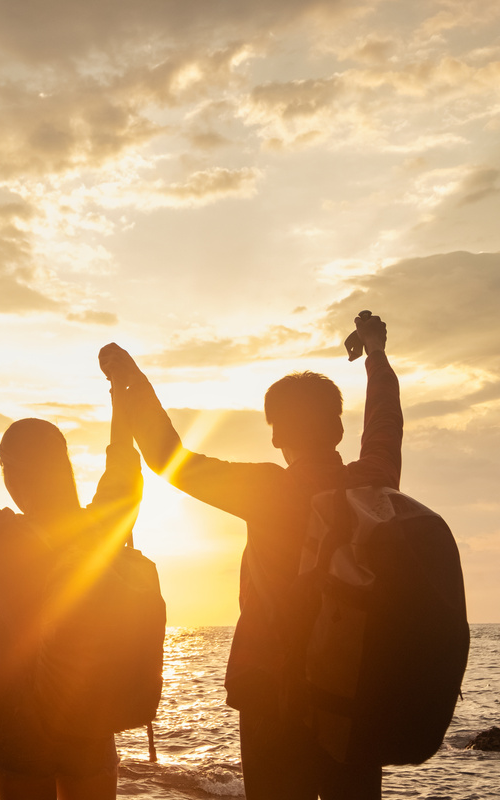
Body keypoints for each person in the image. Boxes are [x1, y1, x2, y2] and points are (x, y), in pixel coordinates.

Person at [98, 312, 398, 800]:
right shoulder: (375, 480)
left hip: (272, 691)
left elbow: (166, 457)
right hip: (355, 692)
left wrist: (133, 381)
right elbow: (386, 418)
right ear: (339, 430)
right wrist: (376, 353)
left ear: (277, 435)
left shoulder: (267, 488)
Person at [0, 355, 144, 800]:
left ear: (12, 471)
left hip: (18, 713)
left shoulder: (0, 536)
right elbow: (125, 473)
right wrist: (118, 398)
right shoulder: (100, 528)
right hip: (88, 705)